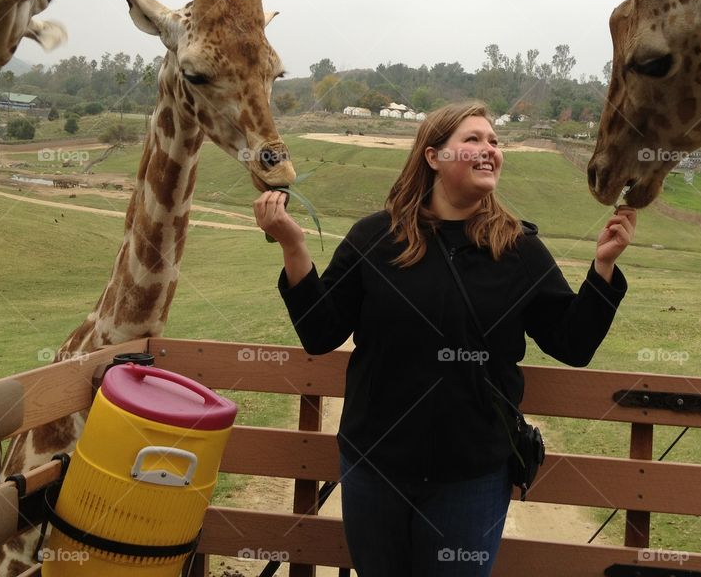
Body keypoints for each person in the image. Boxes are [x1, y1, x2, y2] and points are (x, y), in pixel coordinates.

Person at [254, 102, 635, 577]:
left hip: (471, 477)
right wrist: (294, 246)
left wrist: (603, 267)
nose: (488, 149)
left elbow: (572, 344)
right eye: (472, 139)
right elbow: (320, 332)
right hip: (376, 468)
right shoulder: (375, 237)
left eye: (494, 142)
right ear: (433, 156)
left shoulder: (518, 249)